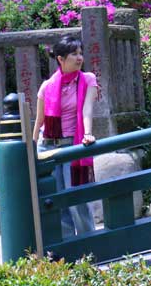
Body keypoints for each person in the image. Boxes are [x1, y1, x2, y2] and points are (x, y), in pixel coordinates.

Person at [33, 35, 98, 236]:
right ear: (60, 59)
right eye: (74, 54)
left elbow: (87, 110)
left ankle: (91, 247)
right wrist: (31, 146)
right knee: (57, 201)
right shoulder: (47, 86)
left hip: (73, 144)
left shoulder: (88, 79)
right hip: (48, 145)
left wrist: (88, 133)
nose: (80, 58)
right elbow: (39, 120)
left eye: (81, 53)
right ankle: (67, 252)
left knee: (75, 198)